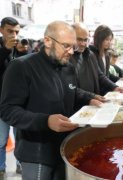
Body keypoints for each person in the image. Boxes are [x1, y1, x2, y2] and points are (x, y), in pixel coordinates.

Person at [0, 21, 100, 179]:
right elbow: (8, 110)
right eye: (66, 46)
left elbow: (71, 90)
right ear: (47, 41)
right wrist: (45, 121)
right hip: (36, 154)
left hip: (64, 147)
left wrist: (91, 98)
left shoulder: (68, 67)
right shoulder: (21, 67)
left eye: (73, 46)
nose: (71, 52)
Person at [70, 23, 123, 101]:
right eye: (79, 39)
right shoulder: (67, 58)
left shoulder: (90, 55)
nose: (83, 43)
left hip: (92, 101)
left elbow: (100, 75)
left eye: (85, 40)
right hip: (78, 104)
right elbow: (71, 87)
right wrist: (91, 97)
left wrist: (114, 87)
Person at [0, 17, 22, 177]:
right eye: (10, 31)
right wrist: (6, 51)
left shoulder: (17, 47)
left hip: (18, 102)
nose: (13, 35)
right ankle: (1, 168)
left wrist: (23, 52)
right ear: (1, 30)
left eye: (16, 32)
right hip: (1, 104)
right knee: (1, 140)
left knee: (20, 137)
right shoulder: (6, 48)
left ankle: (21, 164)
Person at [89, 25, 121, 90]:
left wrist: (119, 79)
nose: (109, 42)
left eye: (110, 40)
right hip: (97, 92)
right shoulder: (92, 54)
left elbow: (107, 75)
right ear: (99, 39)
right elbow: (100, 76)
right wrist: (114, 87)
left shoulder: (106, 55)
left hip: (105, 90)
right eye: (106, 39)